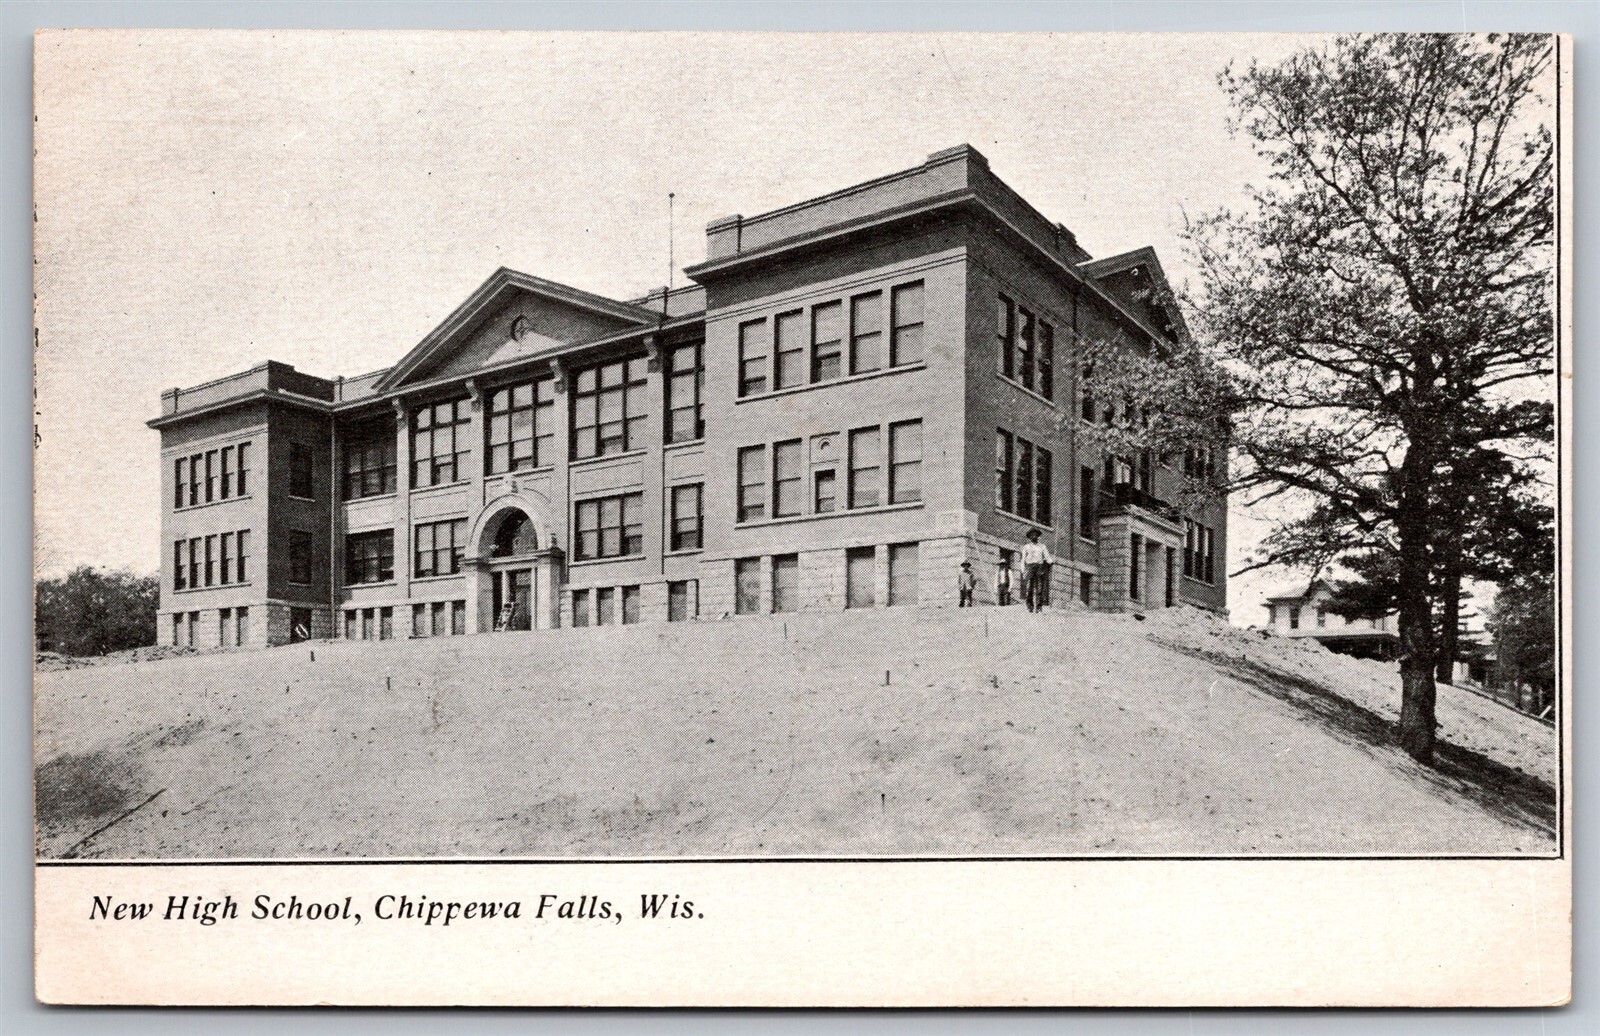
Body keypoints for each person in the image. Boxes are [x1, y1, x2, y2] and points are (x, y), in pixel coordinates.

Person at [1020, 529, 1054, 612]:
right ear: (1029, 537)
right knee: (1029, 588)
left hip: (1039, 567)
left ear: (1038, 536)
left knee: (1039, 588)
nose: (1034, 536)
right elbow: (1023, 559)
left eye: (1035, 535)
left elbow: (1047, 557)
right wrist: (1023, 569)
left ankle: (1039, 607)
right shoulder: (1026, 547)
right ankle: (1030, 606)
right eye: (1032, 535)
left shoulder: (1042, 546)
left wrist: (1051, 561)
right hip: (1029, 567)